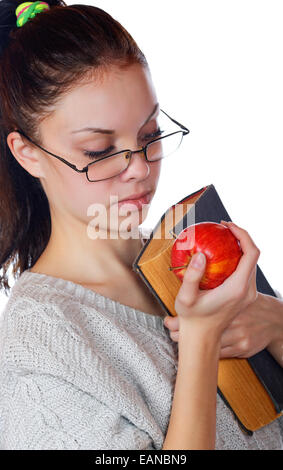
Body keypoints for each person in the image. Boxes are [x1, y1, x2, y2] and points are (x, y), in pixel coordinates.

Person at [0, 0, 282, 450]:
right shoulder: (39, 352)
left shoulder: (190, 252)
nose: (139, 169)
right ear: (27, 153)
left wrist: (281, 329)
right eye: (100, 150)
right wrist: (201, 343)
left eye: (150, 136)